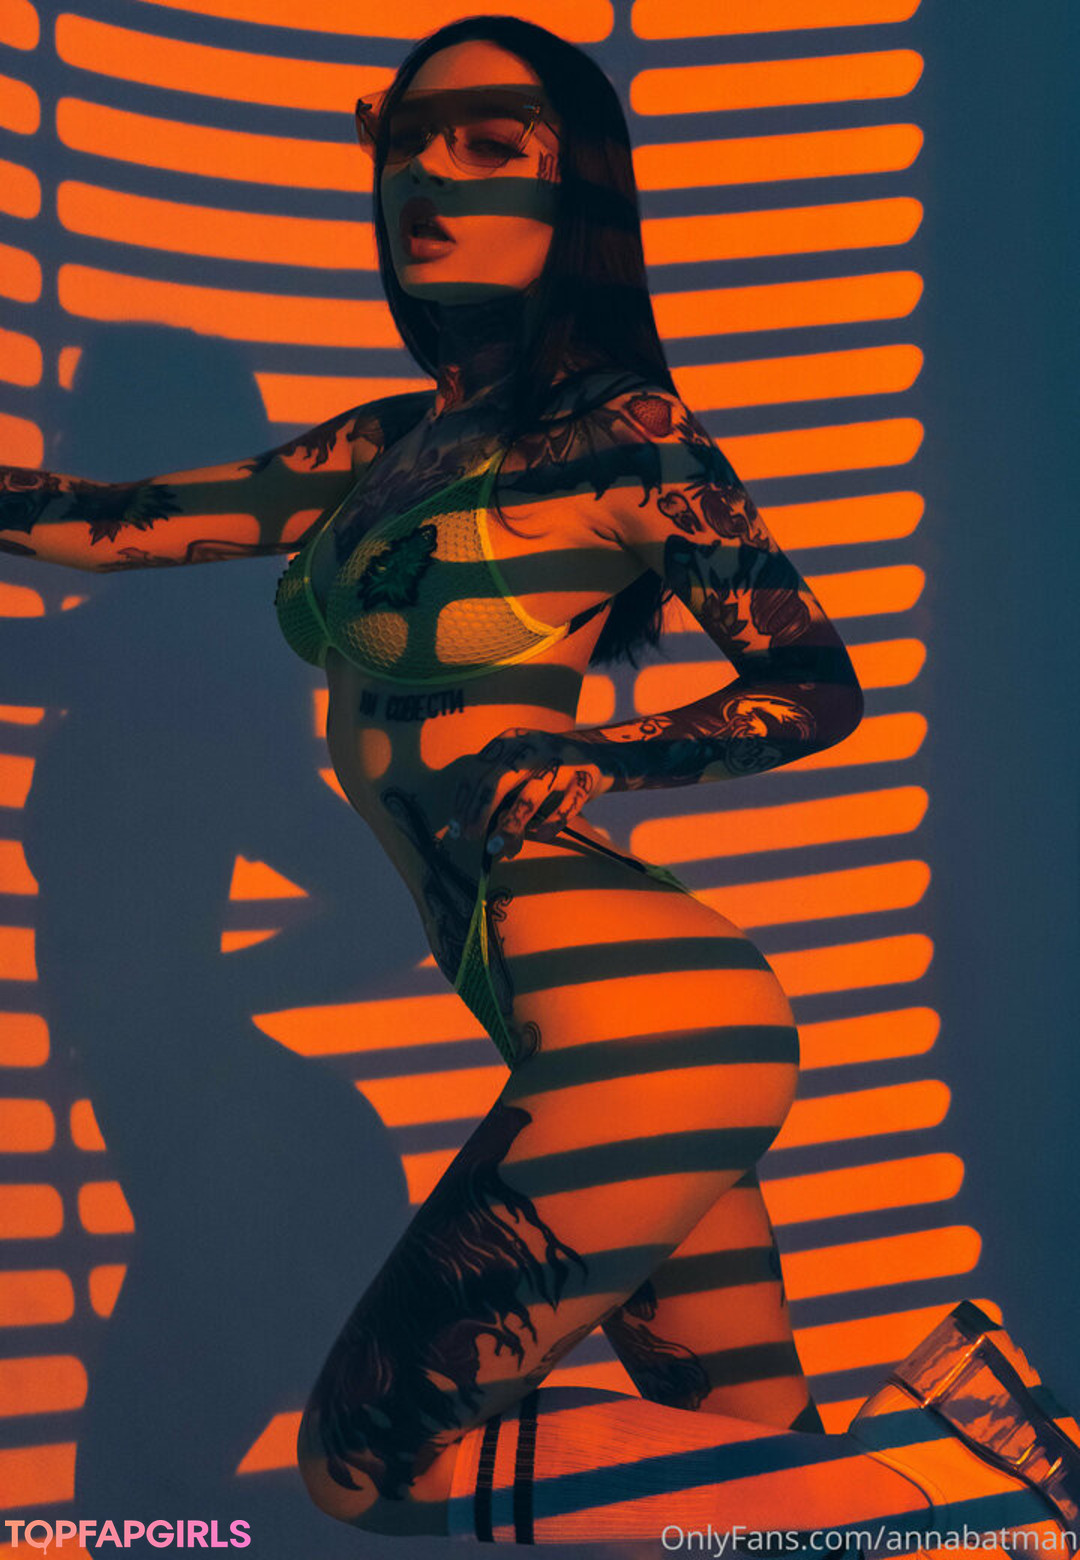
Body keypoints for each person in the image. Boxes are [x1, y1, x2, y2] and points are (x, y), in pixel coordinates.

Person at [2, 12, 1077, 1552]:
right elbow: (113, 522)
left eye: (489, 145)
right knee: (744, 1479)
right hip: (603, 1021)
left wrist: (604, 751)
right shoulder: (385, 449)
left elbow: (813, 679)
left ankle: (962, 1487)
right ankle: (937, 1488)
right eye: (404, 145)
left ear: (578, 194)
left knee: (372, 1463)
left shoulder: (621, 432)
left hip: (646, 1024)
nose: (427, 179)